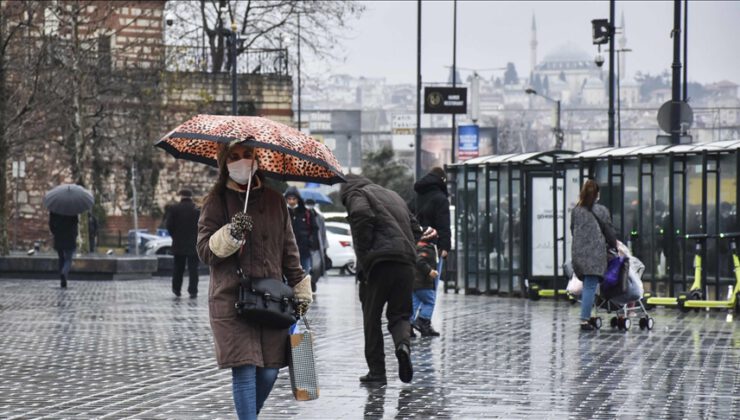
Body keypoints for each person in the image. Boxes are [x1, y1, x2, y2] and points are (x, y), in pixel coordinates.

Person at [196, 141, 313, 419]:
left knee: (270, 370)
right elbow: (203, 251)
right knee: (245, 368)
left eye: (247, 155)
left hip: (272, 299)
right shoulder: (216, 200)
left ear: (257, 159)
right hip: (232, 299)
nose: (242, 161)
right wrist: (231, 234)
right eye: (234, 157)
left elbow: (289, 250)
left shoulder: (275, 200)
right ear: (224, 164)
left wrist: (301, 290)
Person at [340, 174, 421, 385]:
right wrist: (408, 248)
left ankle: (377, 373)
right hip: (406, 263)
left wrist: (365, 256)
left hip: (379, 265)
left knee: (372, 317)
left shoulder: (356, 193)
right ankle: (403, 345)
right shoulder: (392, 195)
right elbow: (416, 228)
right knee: (400, 314)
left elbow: (360, 214)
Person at [408, 167, 450, 336]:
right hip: (432, 246)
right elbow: (444, 224)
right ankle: (424, 321)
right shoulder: (440, 199)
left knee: (415, 287)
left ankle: (409, 322)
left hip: (414, 244)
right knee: (430, 288)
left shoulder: (417, 197)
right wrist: (445, 246)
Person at [571, 179, 616, 331]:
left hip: (578, 253)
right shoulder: (601, 210)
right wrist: (613, 245)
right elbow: (609, 231)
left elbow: (573, 230)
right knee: (590, 285)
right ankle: (584, 320)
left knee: (587, 285)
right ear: (597, 194)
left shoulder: (576, 210)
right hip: (595, 253)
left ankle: (589, 315)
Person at [166, 189, 201, 298]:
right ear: (191, 196)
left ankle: (176, 289)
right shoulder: (197, 209)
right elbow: (202, 226)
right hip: (194, 244)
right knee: (193, 269)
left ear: (181, 196)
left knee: (178, 268)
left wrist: (175, 236)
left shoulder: (174, 209)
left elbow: (169, 225)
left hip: (178, 244)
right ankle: (193, 290)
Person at [412, 227, 441, 337]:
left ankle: (408, 325)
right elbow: (420, 261)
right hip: (424, 283)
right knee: (430, 301)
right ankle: (423, 320)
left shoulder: (418, 246)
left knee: (414, 303)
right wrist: (429, 271)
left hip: (414, 283)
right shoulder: (427, 248)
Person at [284, 187, 318, 275]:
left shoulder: (307, 213)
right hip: (287, 251)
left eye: (294, 199)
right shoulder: (283, 212)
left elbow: (314, 229)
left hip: (304, 251)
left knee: (304, 276)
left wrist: (311, 243)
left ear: (298, 199)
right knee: (289, 276)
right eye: (289, 199)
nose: (291, 201)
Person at [49, 212, 78, 288]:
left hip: (59, 237)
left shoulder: (54, 210)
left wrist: (56, 232)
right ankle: (64, 273)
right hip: (70, 237)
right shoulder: (72, 210)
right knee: (68, 259)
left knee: (61, 258)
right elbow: (75, 223)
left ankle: (62, 279)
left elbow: (51, 225)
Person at [305, 198, 328, 291]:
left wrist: (325, 247)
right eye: (308, 204)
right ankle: (307, 285)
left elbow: (323, 232)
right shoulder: (301, 214)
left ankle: (313, 282)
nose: (309, 206)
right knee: (305, 268)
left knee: (316, 268)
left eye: (311, 204)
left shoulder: (319, 217)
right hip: (304, 246)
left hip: (316, 246)